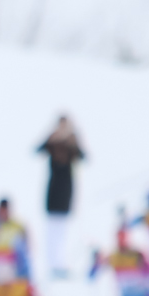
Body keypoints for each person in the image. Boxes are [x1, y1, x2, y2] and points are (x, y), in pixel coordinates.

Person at [36, 115, 85, 276]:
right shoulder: (53, 141)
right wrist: (53, 138)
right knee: (51, 230)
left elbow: (83, 156)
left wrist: (71, 142)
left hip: (66, 191)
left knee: (64, 230)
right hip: (53, 191)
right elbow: (38, 150)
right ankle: (51, 264)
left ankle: (62, 263)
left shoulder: (72, 141)